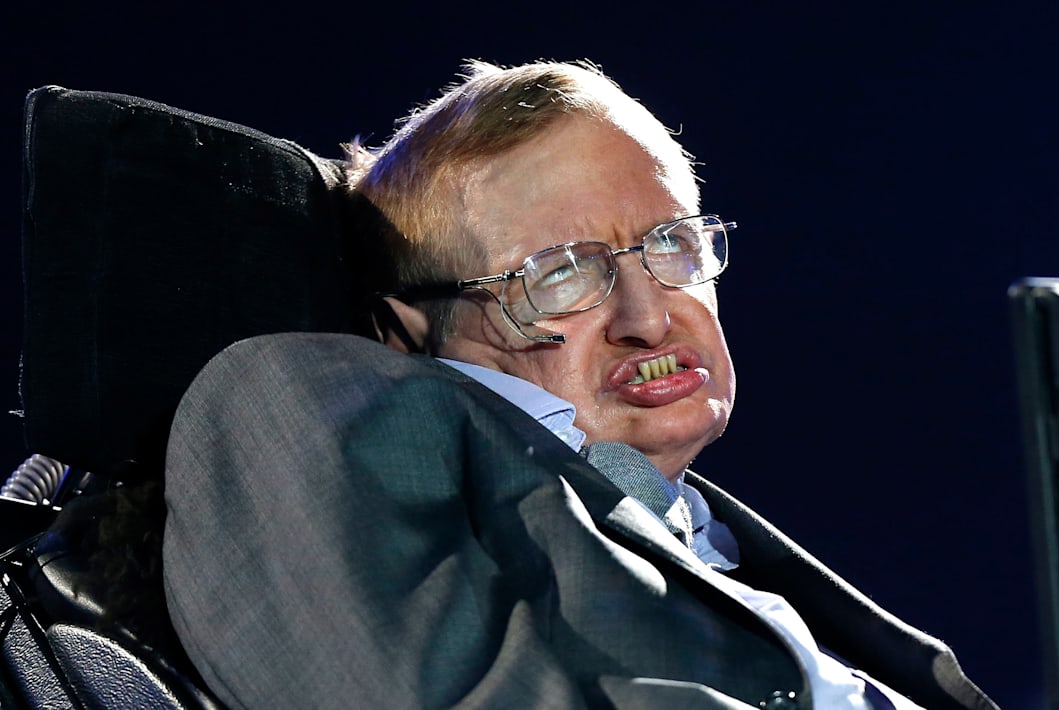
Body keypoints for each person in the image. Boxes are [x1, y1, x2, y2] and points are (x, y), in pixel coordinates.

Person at [160, 60, 997, 710]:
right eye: (559, 274)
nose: (649, 317)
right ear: (405, 330)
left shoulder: (679, 523)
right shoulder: (297, 397)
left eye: (671, 244)